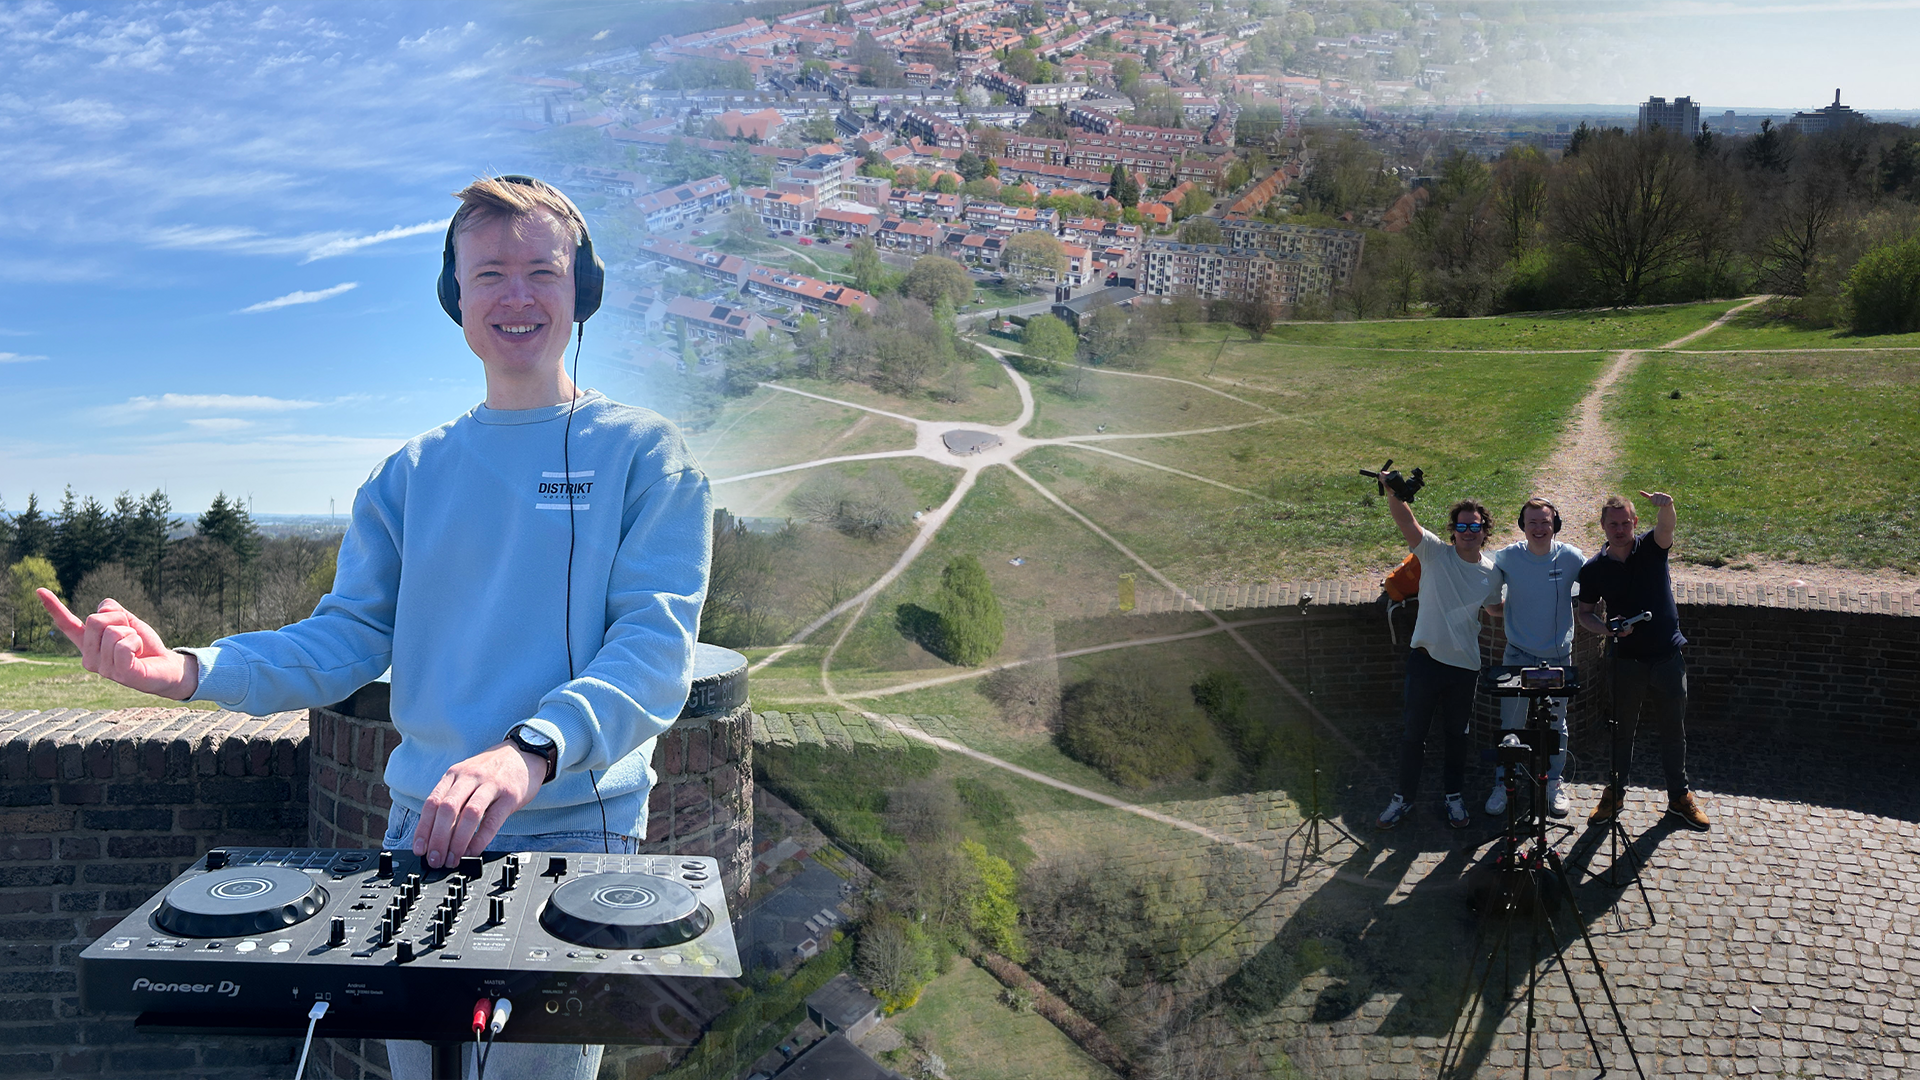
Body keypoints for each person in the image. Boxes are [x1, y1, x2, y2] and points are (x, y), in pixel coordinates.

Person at [39, 175, 712, 1079]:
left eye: (541, 272)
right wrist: (191, 669)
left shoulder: (645, 457)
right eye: (490, 274)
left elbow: (653, 651)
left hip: (572, 830)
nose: (517, 296)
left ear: (581, 290)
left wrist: (528, 751)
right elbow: (345, 640)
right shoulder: (409, 474)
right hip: (417, 831)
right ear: (456, 298)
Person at [1575, 492, 1711, 832]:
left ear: (1635, 523)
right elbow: (1585, 614)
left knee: (1672, 731)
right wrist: (1608, 630)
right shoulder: (1593, 569)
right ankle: (1615, 793)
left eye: (1626, 522)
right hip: (1625, 662)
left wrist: (1667, 506)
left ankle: (1680, 797)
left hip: (1667, 657)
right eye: (1613, 524)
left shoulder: (1651, 547)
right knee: (1621, 730)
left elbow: (1667, 528)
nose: (1620, 529)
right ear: (1603, 526)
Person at [1377, 488, 1501, 830]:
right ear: (1453, 531)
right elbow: (1406, 521)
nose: (1468, 533)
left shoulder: (1492, 573)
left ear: (1485, 531)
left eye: (1474, 527)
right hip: (1426, 662)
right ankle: (1402, 798)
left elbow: (1493, 608)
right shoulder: (1433, 553)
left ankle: (1454, 797)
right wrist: (1393, 492)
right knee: (1413, 735)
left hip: (1465, 669)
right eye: (1462, 527)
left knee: (1456, 737)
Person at [1485, 498, 1584, 819]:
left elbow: (1598, 584)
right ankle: (1504, 781)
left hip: (1557, 656)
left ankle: (1554, 782)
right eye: (1532, 523)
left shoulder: (1570, 557)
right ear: (1522, 526)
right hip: (1518, 655)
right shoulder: (1508, 558)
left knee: (1556, 724)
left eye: (1545, 522)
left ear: (1555, 523)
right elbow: (1489, 599)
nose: (1539, 528)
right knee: (1511, 723)